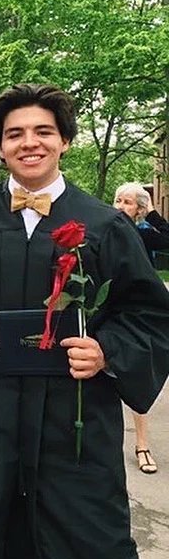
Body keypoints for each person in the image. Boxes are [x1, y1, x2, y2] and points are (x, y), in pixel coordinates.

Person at [0, 83, 169, 559]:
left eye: (43, 131)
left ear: (65, 141)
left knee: (84, 541)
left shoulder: (104, 223)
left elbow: (151, 314)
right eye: (15, 134)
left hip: (73, 419)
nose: (30, 143)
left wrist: (107, 351)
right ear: (0, 147)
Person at [113, 181, 169, 475]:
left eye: (129, 202)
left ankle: (142, 444)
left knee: (135, 375)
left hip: (135, 311)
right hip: (106, 309)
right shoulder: (105, 228)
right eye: (118, 200)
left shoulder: (144, 234)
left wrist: (153, 215)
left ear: (139, 209)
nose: (122, 206)